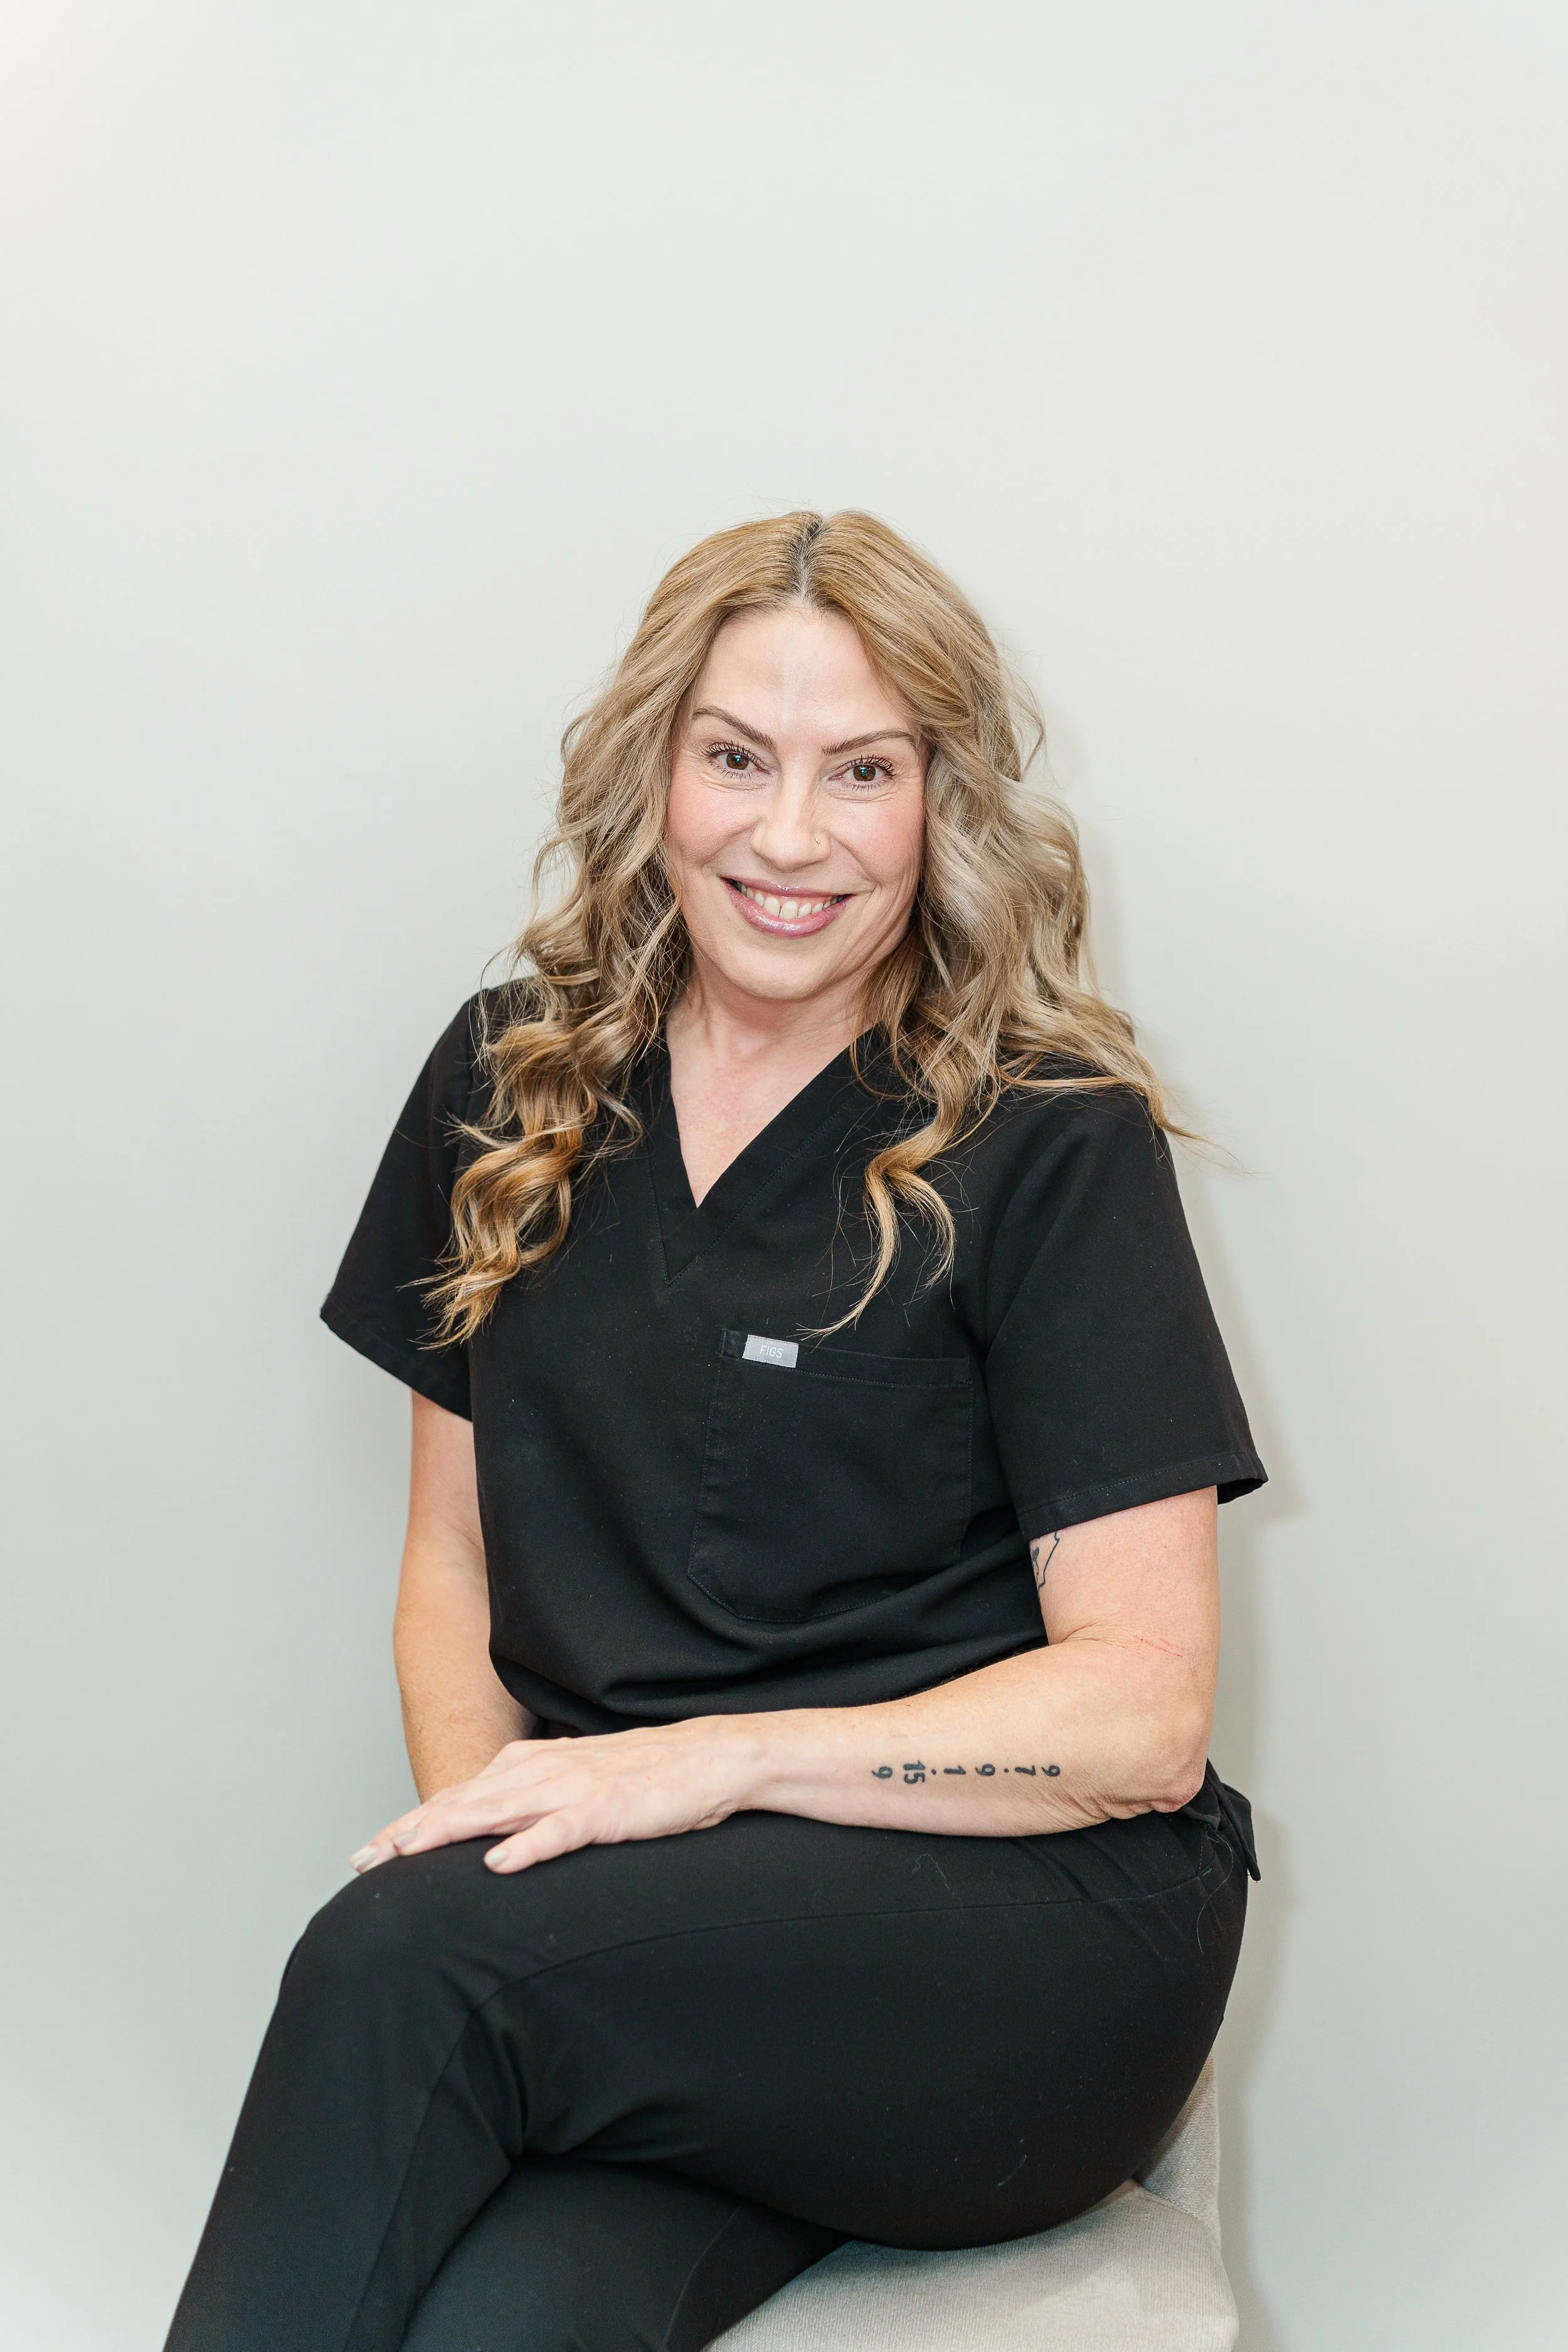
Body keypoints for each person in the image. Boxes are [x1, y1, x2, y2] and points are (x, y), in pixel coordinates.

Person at [166, 511, 1263, 2352]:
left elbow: (1143, 1720)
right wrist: (514, 1841)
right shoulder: (508, 1078)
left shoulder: (1045, 1134)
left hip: (1026, 1946)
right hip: (667, 1948)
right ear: (651, 770)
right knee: (498, 2320)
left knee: (401, 1956)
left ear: (941, 806)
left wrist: (701, 1766)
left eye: (862, 772)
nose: (785, 834)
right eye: (736, 756)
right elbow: (449, 1572)